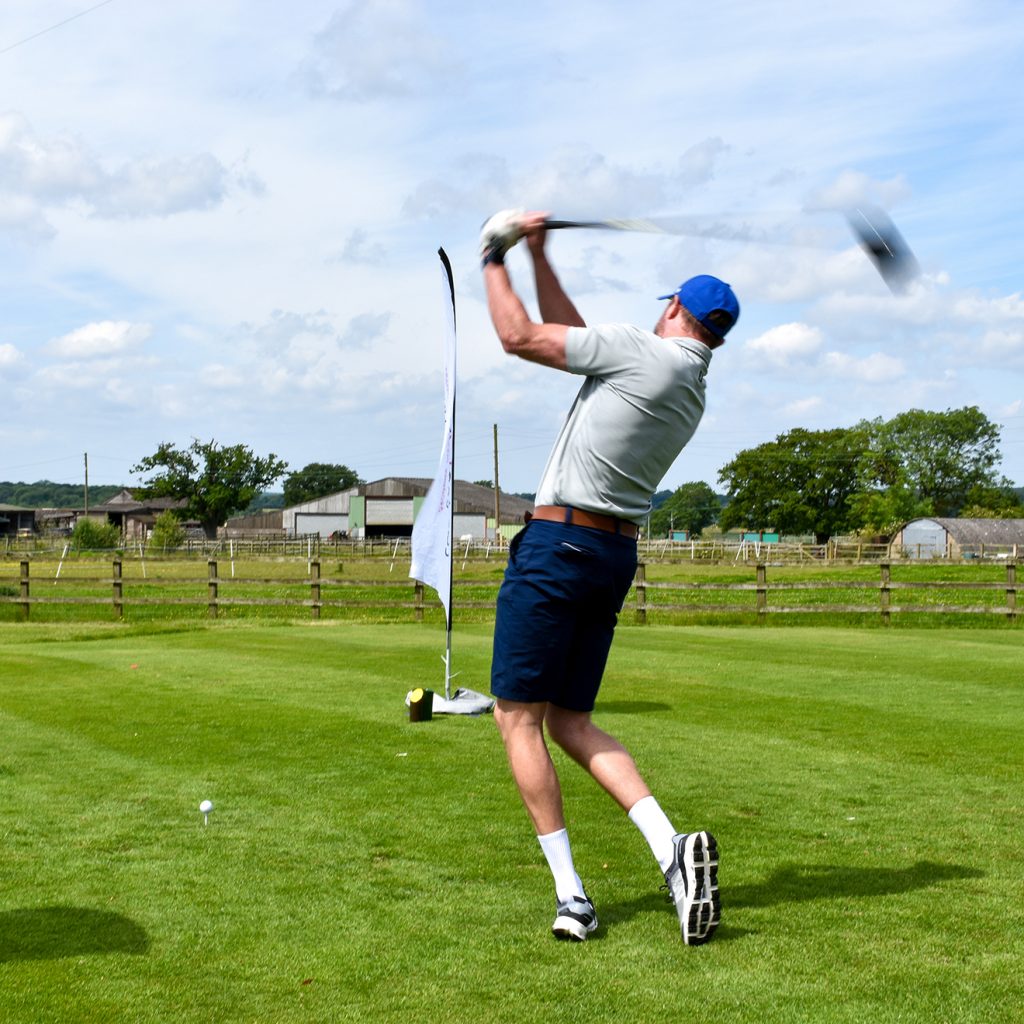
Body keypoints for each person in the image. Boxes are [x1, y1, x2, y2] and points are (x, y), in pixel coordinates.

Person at [479, 209, 739, 946]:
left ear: (675, 308)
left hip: (558, 546)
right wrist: (539, 254)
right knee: (570, 720)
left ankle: (573, 897)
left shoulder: (640, 352)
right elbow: (576, 337)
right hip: (610, 556)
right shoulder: (686, 381)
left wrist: (493, 255)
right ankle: (671, 852)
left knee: (517, 717)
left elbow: (520, 337)